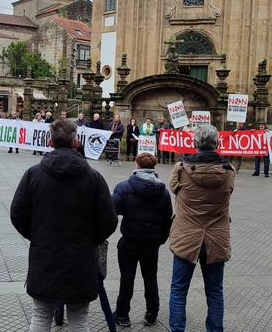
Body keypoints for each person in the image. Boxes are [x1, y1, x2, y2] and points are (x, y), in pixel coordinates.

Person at [11, 119, 118, 331]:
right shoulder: (94, 178)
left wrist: (38, 234)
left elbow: (17, 214)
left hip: (45, 256)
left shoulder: (33, 174)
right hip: (81, 257)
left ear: (50, 142)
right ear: (75, 143)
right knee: (79, 319)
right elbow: (109, 220)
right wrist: (90, 239)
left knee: (41, 316)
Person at [168, 125, 234, 332]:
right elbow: (230, 191)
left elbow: (172, 187)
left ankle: (177, 329)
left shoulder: (181, 168)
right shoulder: (229, 171)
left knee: (179, 289)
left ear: (196, 144)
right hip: (216, 238)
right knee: (215, 290)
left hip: (186, 235)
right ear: (217, 144)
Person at [112, 153, 173, 327]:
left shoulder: (124, 187)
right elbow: (167, 219)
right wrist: (160, 239)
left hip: (130, 240)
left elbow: (111, 210)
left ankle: (122, 314)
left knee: (127, 278)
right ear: (154, 168)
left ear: (137, 166)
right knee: (150, 277)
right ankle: (152, 313)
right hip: (151, 243)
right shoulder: (163, 192)